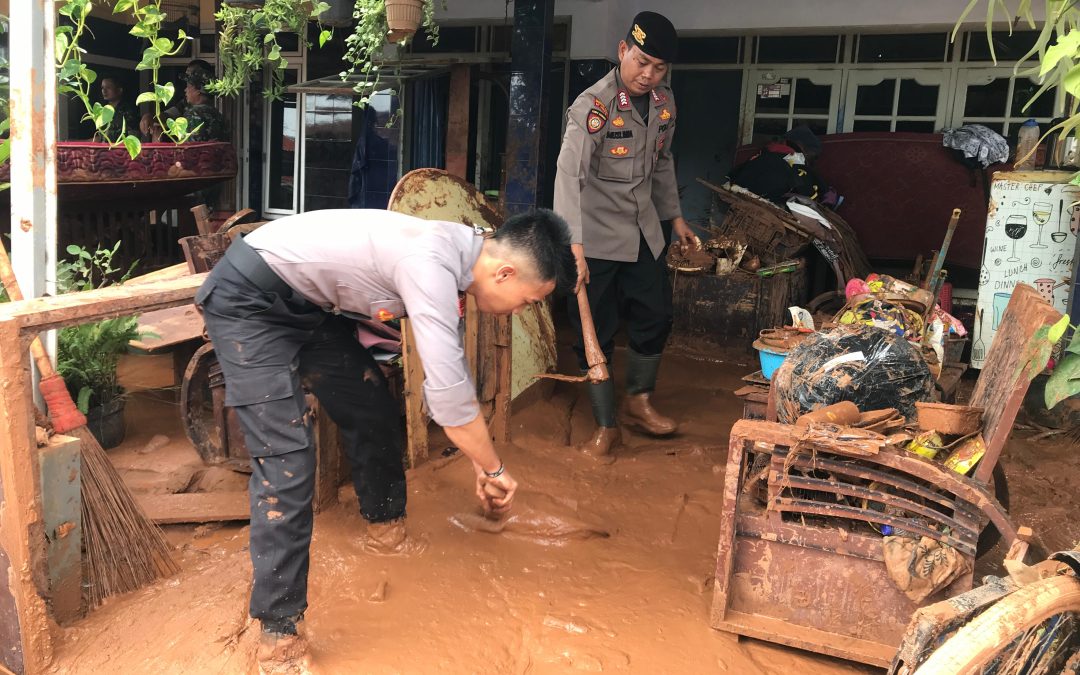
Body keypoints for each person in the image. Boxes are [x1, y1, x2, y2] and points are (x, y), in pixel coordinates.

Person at [194, 208, 575, 671]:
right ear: (505, 272)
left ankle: (385, 528)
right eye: (529, 300)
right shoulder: (431, 262)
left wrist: (479, 460)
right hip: (249, 301)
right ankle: (279, 635)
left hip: (306, 306)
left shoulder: (465, 254)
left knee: (370, 403)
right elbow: (450, 401)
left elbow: (448, 378)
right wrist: (493, 468)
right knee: (286, 461)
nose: (523, 311)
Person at [553, 10, 694, 459]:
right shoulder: (592, 106)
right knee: (595, 326)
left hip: (644, 231)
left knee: (656, 315)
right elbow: (567, 176)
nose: (648, 75)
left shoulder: (664, 103)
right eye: (642, 62)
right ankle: (605, 421)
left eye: (659, 68)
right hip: (593, 237)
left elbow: (663, 161)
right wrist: (571, 244)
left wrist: (674, 217)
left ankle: (639, 401)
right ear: (622, 52)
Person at [95, 76, 138, 141]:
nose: (104, 91)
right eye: (102, 88)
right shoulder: (102, 110)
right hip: (103, 150)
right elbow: (101, 137)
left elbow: (133, 137)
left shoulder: (128, 111)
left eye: (108, 87)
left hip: (120, 150)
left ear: (119, 90)